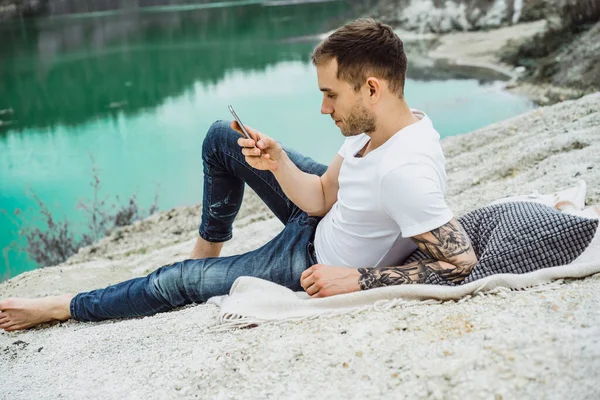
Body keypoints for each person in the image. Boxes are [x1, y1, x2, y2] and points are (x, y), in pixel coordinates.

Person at [0, 19, 478, 332]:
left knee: (174, 283)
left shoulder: (404, 172)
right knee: (220, 138)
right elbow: (322, 195)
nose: (323, 107)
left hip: (308, 259)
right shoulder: (381, 123)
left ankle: (64, 304)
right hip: (323, 219)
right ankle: (206, 254)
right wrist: (278, 164)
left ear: (371, 88)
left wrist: (359, 279)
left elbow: (460, 264)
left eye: (331, 95)